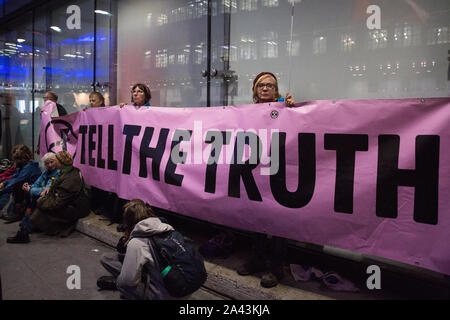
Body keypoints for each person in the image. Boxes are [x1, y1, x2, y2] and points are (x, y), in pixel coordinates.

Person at [6, 151, 89, 243]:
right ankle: (25, 228)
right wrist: (49, 191)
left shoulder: (70, 178)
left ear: (60, 163)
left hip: (75, 208)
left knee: (40, 207)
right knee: (38, 202)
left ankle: (25, 230)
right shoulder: (66, 171)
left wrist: (43, 200)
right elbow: (54, 189)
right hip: (68, 202)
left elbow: (59, 202)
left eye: (55, 160)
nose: (52, 163)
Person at [97, 199, 173, 300]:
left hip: (165, 293)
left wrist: (120, 282)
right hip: (177, 283)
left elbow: (128, 281)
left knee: (123, 285)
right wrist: (127, 236)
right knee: (106, 258)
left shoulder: (138, 242)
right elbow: (121, 249)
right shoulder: (164, 226)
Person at [0, 145, 41, 220]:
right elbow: (15, 177)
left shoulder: (30, 166)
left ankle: (19, 212)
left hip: (28, 191)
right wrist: (4, 183)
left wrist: (3, 189)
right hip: (21, 189)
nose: (16, 161)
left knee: (15, 187)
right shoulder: (22, 165)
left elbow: (18, 181)